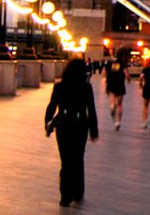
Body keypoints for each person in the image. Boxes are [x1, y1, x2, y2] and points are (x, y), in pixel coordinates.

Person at [45, 57, 98, 208]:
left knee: (66, 160)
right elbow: (91, 110)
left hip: (63, 125)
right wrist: (94, 130)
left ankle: (65, 196)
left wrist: (47, 122)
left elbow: (52, 106)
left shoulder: (59, 87)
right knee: (78, 159)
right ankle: (77, 191)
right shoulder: (86, 88)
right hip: (80, 125)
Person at [104, 52, 129, 131]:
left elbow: (104, 72)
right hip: (120, 85)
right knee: (120, 105)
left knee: (112, 100)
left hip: (111, 84)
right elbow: (126, 74)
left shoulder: (109, 63)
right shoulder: (122, 64)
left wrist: (106, 78)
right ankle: (118, 122)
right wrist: (128, 79)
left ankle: (112, 106)